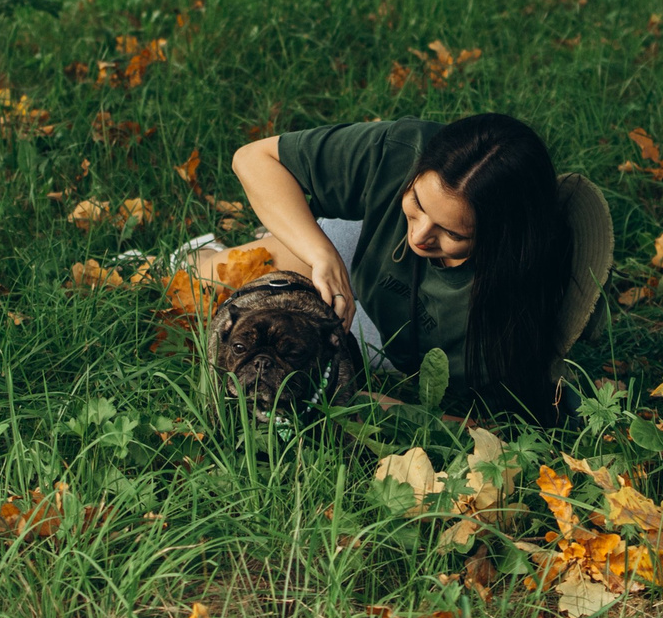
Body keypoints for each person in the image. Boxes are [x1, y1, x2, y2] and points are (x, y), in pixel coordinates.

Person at [196, 113, 608, 423]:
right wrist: (320, 254)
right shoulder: (402, 151)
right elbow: (254, 159)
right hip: (357, 250)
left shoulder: (511, 312)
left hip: (380, 330)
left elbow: (484, 422)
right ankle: (196, 255)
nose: (419, 236)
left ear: (502, 243)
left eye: (452, 233)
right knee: (213, 277)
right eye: (417, 204)